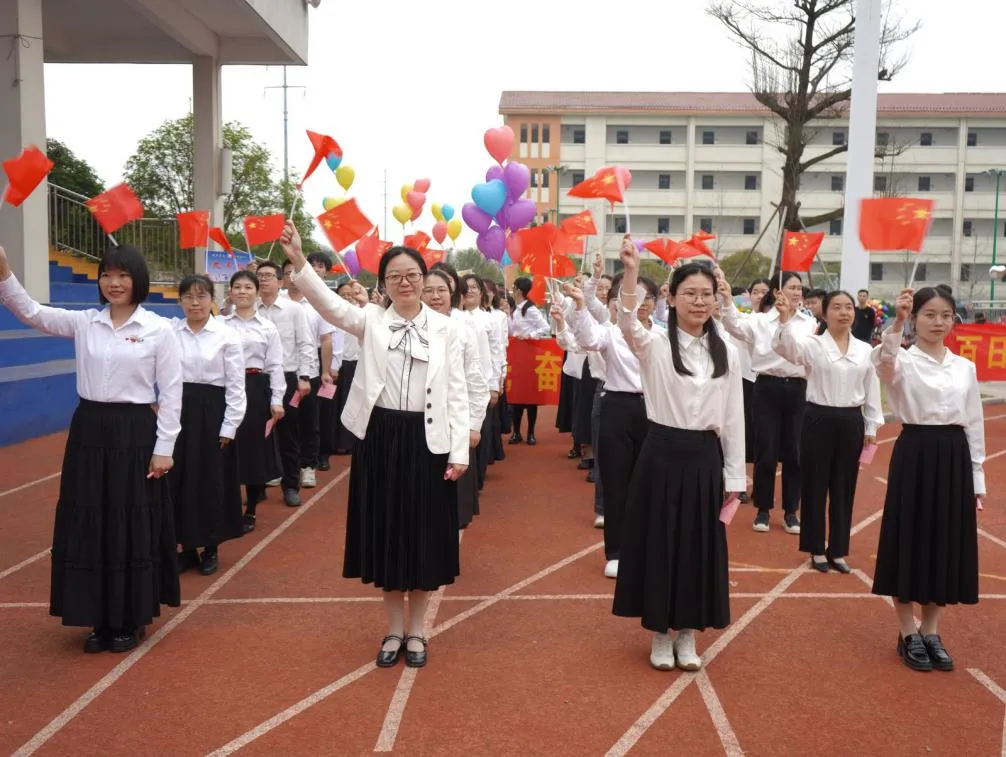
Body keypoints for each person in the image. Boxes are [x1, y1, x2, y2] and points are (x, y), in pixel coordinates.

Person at [280, 222, 469, 669]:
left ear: (426, 279)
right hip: (380, 438)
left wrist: (459, 451)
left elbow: (457, 392)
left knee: (422, 537)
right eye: (395, 276)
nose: (405, 283)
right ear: (383, 283)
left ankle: (418, 631)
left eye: (413, 275)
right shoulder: (369, 320)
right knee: (386, 534)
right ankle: (392, 630)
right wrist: (299, 262)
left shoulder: (447, 329)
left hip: (429, 440)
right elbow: (328, 306)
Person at [0, 244, 182, 653]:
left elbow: (171, 392)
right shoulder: (85, 323)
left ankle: (130, 618)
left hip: (135, 431)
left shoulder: (159, 328)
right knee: (91, 520)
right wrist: (4, 272)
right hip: (89, 430)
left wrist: (164, 446)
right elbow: (31, 312)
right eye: (106, 275)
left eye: (123, 276)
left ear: (138, 280)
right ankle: (98, 617)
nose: (114, 283)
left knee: (128, 522)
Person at [611, 239, 744, 672]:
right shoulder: (652, 344)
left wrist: (734, 478)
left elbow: (734, 417)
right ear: (671, 298)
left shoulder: (728, 351)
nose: (699, 300)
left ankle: (688, 632)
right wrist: (631, 272)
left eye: (706, 293)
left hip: (705, 457)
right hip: (661, 453)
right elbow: (628, 321)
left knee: (697, 547)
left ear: (716, 297)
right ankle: (660, 633)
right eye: (689, 293)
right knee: (660, 542)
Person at [871, 286, 985, 673]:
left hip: (954, 457)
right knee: (910, 540)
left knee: (943, 544)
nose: (938, 322)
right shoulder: (901, 361)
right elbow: (881, 361)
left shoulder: (964, 367)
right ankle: (907, 632)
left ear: (954, 320)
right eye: (930, 314)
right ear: (916, 317)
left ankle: (931, 630)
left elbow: (974, 423)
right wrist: (896, 322)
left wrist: (977, 479)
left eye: (946, 315)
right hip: (915, 453)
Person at [773, 290, 884, 573]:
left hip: (851, 422)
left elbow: (872, 389)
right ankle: (815, 548)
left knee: (844, 487)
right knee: (815, 485)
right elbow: (786, 349)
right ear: (825, 313)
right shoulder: (812, 344)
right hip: (817, 419)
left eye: (849, 307)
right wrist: (784, 320)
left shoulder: (864, 349)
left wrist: (871, 425)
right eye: (837, 307)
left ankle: (838, 550)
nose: (844, 312)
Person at [568, 274, 661, 579]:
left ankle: (650, 546)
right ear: (621, 301)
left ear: (656, 303)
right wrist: (581, 304)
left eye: (647, 299)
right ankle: (617, 551)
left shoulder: (663, 335)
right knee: (617, 481)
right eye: (632, 297)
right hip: (617, 407)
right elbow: (586, 340)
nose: (641, 304)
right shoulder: (609, 331)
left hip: (656, 410)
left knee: (650, 482)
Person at [719, 269, 816, 534]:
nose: (797, 293)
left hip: (797, 388)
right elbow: (733, 325)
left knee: (795, 452)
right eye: (792, 287)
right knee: (767, 450)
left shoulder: (808, 323)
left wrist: (786, 322)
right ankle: (762, 509)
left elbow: (806, 354)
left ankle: (791, 512)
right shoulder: (759, 321)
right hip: (767, 386)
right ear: (777, 292)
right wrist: (727, 300)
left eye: (799, 289)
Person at [171, 274, 247, 576]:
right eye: (188, 296)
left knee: (210, 480)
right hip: (177, 411)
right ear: (179, 301)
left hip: (213, 411)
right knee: (179, 480)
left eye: (201, 296)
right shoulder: (170, 332)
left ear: (212, 300)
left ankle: (211, 546)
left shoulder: (226, 335)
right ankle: (186, 547)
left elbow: (236, 386)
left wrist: (229, 425)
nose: (194, 302)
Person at [421, 269, 489, 528]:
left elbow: (476, 380)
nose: (435, 296)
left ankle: (446, 557)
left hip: (454, 424)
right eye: (428, 290)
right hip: (420, 423)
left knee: (453, 501)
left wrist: (474, 424)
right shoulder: (408, 327)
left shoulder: (463, 329)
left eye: (442, 289)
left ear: (452, 293)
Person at [221, 270, 285, 533]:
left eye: (248, 287)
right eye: (237, 287)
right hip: (225, 388)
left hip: (256, 388)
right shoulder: (221, 324)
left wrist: (277, 399)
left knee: (255, 449)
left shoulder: (268, 327)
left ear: (258, 293)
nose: (243, 291)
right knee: (227, 445)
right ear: (230, 292)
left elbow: (275, 364)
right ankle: (228, 505)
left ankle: (251, 509)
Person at [255, 261, 314, 507]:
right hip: (256, 380)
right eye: (260, 275)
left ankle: (290, 485)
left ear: (281, 281)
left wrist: (304, 377)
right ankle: (256, 485)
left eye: (269, 275)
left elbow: (305, 343)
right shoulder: (247, 309)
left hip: (288, 378)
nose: (264, 280)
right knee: (256, 435)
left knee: (288, 434)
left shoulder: (293, 310)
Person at [282, 257, 338, 488]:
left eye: (297, 272)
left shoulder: (317, 303)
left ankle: (308, 466)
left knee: (308, 422)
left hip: (309, 372)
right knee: (285, 423)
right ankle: (285, 466)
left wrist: (325, 371)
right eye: (288, 272)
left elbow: (326, 340)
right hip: (282, 371)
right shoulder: (277, 302)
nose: (292, 277)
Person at [508, 276, 550, 444]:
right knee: (517, 395)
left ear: (519, 290)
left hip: (530, 354)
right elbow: (512, 331)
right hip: (518, 355)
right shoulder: (517, 309)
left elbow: (545, 327)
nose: (512, 289)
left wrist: (529, 335)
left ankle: (531, 432)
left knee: (531, 396)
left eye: (514, 286)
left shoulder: (530, 309)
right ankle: (516, 432)